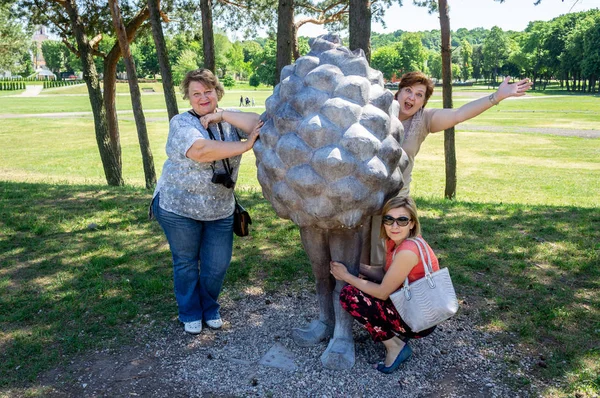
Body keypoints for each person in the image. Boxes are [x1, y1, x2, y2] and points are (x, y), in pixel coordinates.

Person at [362, 72, 532, 269]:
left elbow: (458, 114)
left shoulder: (423, 119)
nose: (411, 98)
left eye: (419, 95)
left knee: (399, 262)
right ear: (397, 92)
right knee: (367, 259)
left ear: (423, 102)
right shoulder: (376, 112)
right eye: (408, 90)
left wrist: (497, 96)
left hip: (397, 201)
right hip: (368, 197)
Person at [151, 68, 263, 335]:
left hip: (220, 208)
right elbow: (201, 150)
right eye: (196, 93)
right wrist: (245, 146)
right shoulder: (181, 123)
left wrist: (222, 115)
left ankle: (209, 306)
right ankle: (190, 312)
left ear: (217, 92)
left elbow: (258, 122)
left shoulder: (226, 119)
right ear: (188, 98)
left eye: (208, 91)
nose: (203, 98)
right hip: (179, 208)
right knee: (187, 262)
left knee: (216, 264)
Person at [330, 196, 438, 374]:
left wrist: (346, 276)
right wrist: (356, 267)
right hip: (416, 307)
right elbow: (385, 274)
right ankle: (392, 332)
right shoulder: (398, 242)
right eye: (389, 219)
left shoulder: (407, 252)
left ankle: (395, 346)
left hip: (418, 320)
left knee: (350, 295)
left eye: (402, 220)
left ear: (412, 223)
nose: (394, 226)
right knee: (364, 283)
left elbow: (382, 292)